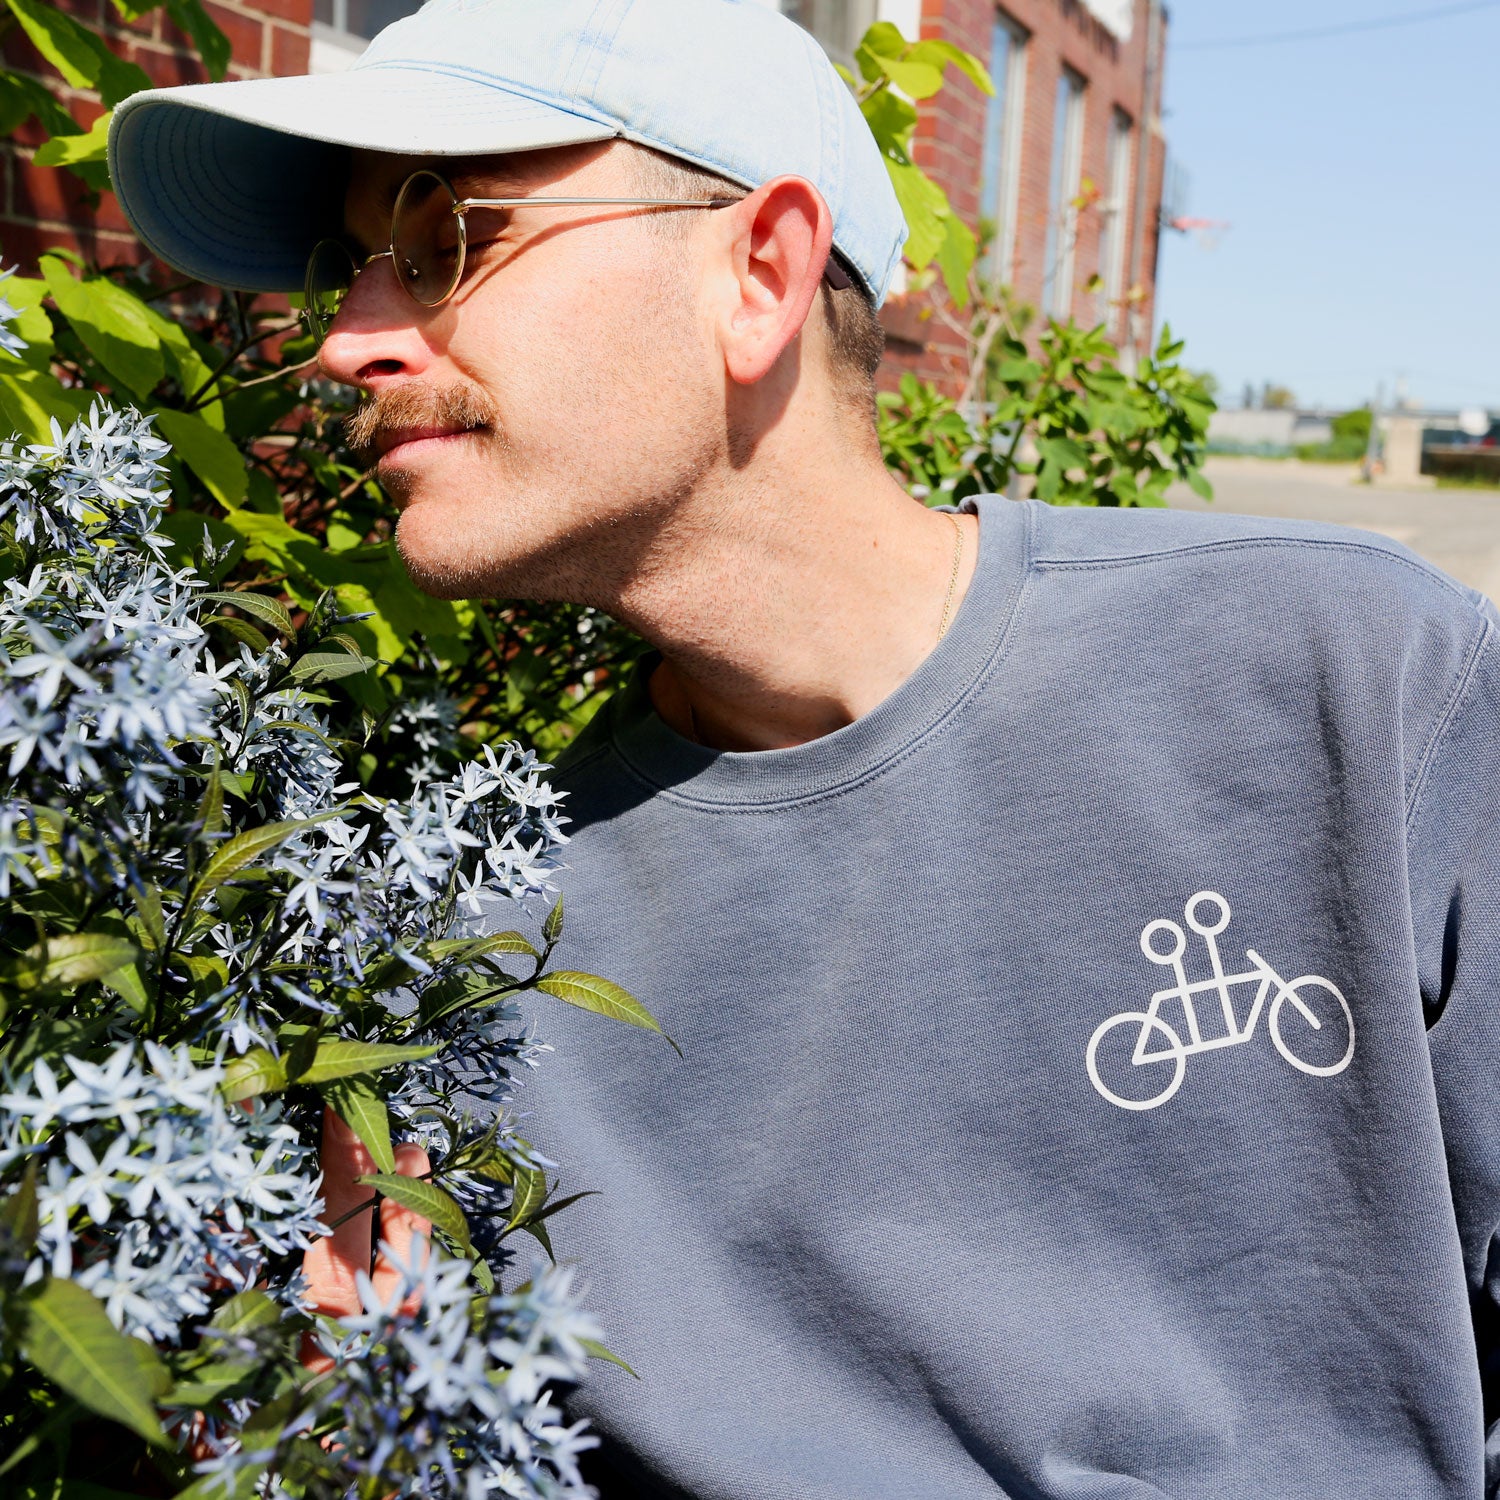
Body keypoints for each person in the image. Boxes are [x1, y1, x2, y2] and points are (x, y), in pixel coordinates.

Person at [109, 1, 1500, 1496]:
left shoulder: (1348, 684)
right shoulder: (482, 950)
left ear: (760, 273)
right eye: (347, 268)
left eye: (442, 236)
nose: (344, 343)